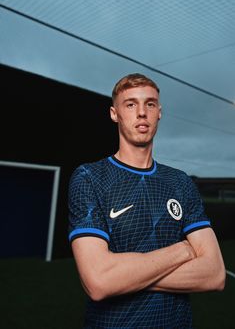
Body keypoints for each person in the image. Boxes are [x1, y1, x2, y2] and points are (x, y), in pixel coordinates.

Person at [68, 73, 226, 328]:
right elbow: (98, 282)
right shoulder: (89, 177)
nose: (142, 112)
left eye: (150, 104)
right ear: (114, 113)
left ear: (159, 113)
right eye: (130, 104)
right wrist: (182, 250)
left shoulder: (180, 182)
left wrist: (124, 277)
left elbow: (214, 275)